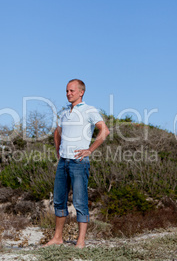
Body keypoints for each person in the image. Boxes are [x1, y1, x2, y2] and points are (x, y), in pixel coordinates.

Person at [44, 79, 110, 248]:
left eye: (72, 91)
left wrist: (90, 150)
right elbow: (57, 132)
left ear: (81, 92)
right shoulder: (65, 112)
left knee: (80, 201)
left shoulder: (89, 110)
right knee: (59, 200)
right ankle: (57, 238)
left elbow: (104, 130)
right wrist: (58, 150)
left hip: (79, 162)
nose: (68, 93)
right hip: (63, 162)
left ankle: (80, 241)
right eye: (67, 91)